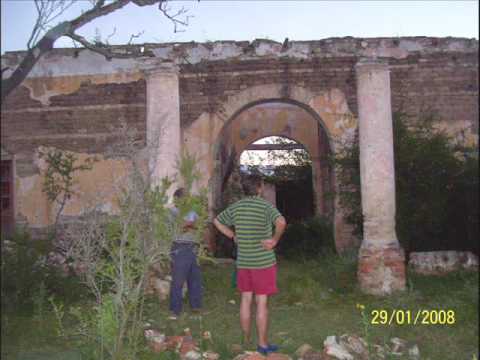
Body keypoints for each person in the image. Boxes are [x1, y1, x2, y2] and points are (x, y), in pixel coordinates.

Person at [213, 174, 287, 355]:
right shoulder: (265, 206)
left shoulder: (237, 207)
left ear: (244, 189)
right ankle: (262, 345)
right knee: (261, 302)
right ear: (260, 188)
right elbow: (281, 221)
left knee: (245, 299)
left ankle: (246, 341)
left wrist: (232, 235)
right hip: (263, 263)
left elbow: (217, 221)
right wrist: (274, 239)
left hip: (244, 262)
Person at [169, 188, 203, 319]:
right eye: (185, 198)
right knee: (178, 280)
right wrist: (190, 225)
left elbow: (199, 226)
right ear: (177, 199)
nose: (188, 200)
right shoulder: (171, 212)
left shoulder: (192, 212)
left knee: (195, 278)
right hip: (180, 247)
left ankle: (196, 307)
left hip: (193, 246)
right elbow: (179, 227)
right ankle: (175, 310)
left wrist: (190, 225)